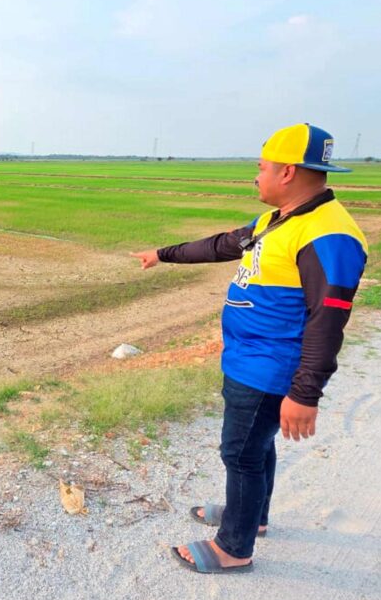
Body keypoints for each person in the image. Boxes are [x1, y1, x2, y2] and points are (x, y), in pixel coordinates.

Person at [130, 123, 368, 574]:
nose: (254, 177)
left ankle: (233, 548)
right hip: (249, 359)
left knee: (240, 453)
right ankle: (252, 518)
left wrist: (305, 394)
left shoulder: (329, 235)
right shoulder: (281, 219)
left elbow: (328, 318)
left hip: (270, 367)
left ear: (288, 171)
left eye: (261, 168)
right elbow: (223, 244)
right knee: (257, 447)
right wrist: (162, 254)